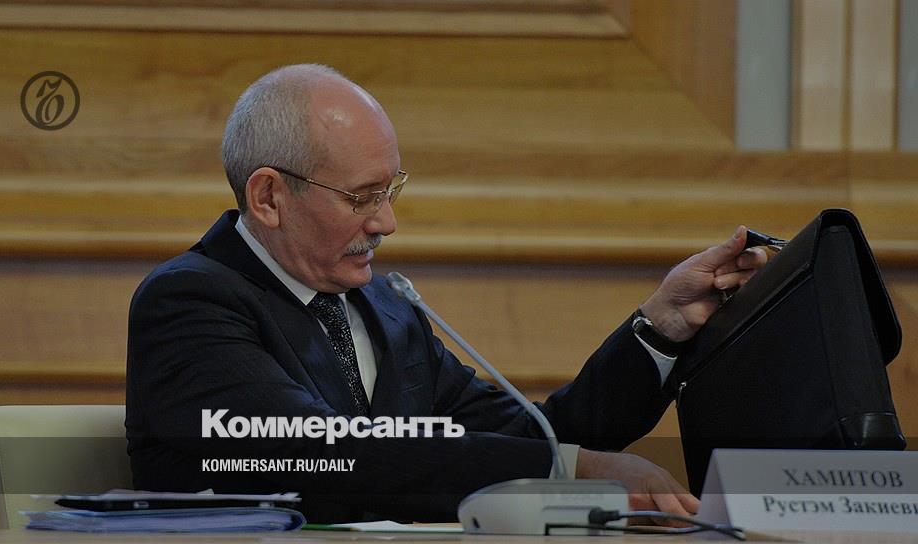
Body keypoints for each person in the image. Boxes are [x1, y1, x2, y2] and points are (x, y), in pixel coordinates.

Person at [125, 64, 767, 523]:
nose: (386, 223)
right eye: (362, 198)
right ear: (269, 196)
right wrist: (571, 471)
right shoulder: (190, 301)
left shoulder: (386, 309)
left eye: (390, 192)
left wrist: (661, 326)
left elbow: (540, 434)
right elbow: (319, 452)